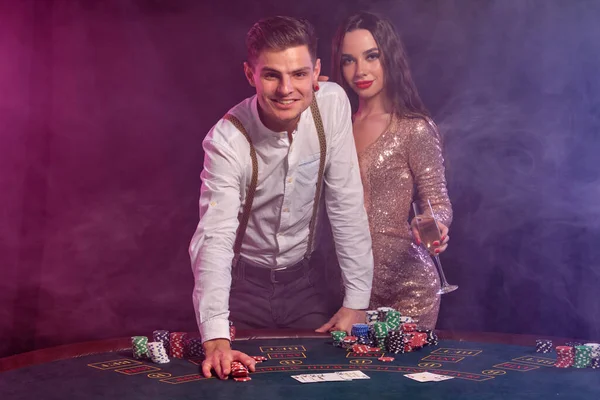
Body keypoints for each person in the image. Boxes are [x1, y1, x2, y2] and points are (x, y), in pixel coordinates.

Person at [189, 16, 374, 380]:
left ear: (317, 71)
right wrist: (215, 335)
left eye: (300, 74)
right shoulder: (227, 140)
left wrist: (357, 301)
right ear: (249, 74)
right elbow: (215, 237)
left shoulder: (332, 104)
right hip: (242, 289)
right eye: (272, 75)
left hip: (306, 285)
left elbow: (346, 203)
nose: (286, 89)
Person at [329, 11, 453, 330]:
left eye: (371, 56)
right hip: (345, 288)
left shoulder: (415, 129)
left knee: (397, 380)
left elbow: (437, 203)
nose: (360, 71)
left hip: (408, 289)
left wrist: (435, 226)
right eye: (348, 60)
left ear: (390, 56)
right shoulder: (333, 127)